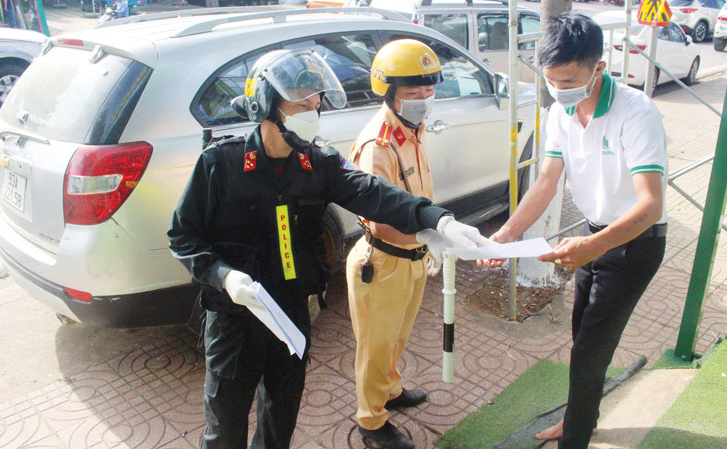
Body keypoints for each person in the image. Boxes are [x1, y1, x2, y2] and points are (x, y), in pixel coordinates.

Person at [168, 48, 488, 449]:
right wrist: (224, 276)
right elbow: (182, 236)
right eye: (301, 103)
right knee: (225, 429)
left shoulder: (316, 164)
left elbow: (372, 192)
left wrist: (436, 220)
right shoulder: (222, 165)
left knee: (279, 420)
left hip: (291, 314)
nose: (312, 112)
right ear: (268, 105)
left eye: (316, 103)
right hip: (235, 320)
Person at [479, 13, 667, 449]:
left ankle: (575, 437)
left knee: (589, 349)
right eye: (551, 81)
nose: (559, 91)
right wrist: (504, 236)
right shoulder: (561, 114)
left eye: (568, 81)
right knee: (581, 335)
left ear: (599, 68)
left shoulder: (636, 113)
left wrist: (592, 246)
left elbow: (650, 204)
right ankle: (582, 415)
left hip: (634, 244)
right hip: (592, 235)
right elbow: (546, 182)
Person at [345, 39, 457, 449]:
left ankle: (391, 390)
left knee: (398, 336)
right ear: (389, 92)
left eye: (429, 92)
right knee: (376, 345)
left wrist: (427, 244)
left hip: (412, 256)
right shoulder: (380, 143)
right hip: (384, 259)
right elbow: (378, 218)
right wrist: (431, 235)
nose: (424, 101)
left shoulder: (412, 128)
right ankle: (371, 420)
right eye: (413, 94)